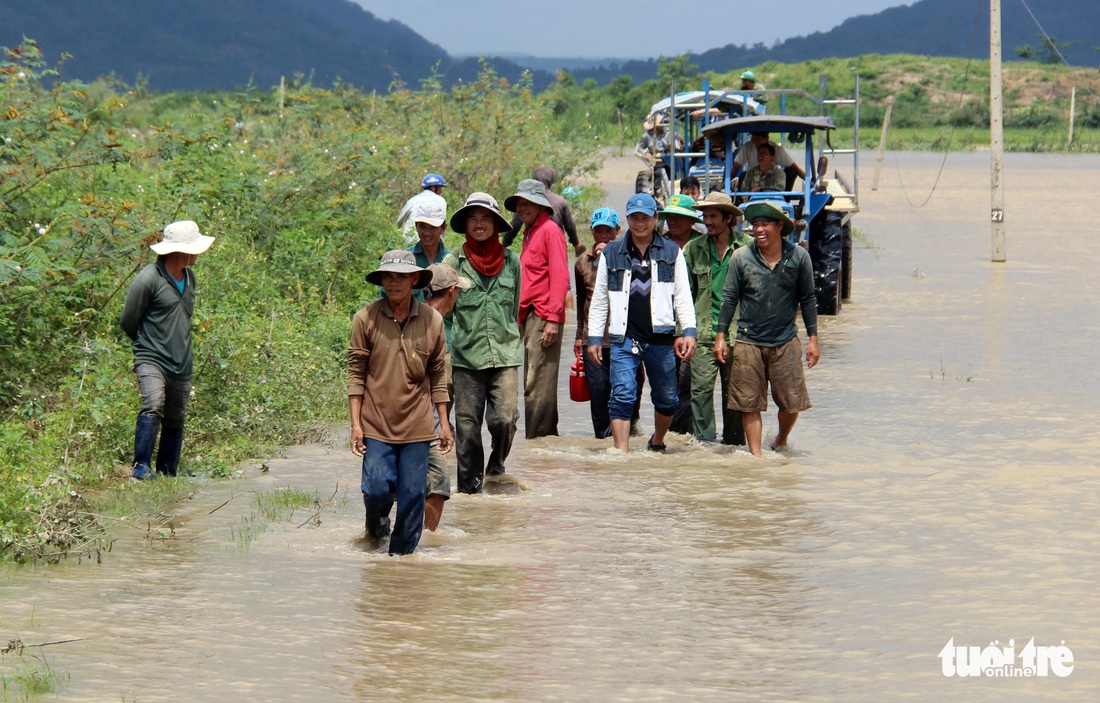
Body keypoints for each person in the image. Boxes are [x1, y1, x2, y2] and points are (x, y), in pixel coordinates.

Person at [349, 251, 451, 555]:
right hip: (376, 424)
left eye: (402, 276)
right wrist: (356, 425)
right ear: (381, 280)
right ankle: (376, 526)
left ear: (414, 280)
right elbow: (356, 375)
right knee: (376, 490)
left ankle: (398, 565)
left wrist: (444, 424)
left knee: (412, 497)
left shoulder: (432, 321)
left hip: (417, 428)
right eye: (389, 276)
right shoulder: (365, 319)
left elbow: (438, 376)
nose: (394, 282)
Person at [587, 193, 696, 454]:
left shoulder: (672, 252)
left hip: (660, 337)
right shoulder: (611, 253)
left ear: (656, 219)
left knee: (667, 400)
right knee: (622, 394)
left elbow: (682, 295)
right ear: (627, 220)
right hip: (624, 337)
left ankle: (657, 439)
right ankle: (621, 452)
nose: (640, 223)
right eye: (634, 218)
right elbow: (600, 299)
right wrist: (593, 338)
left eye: (645, 217)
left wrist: (689, 331)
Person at [713, 201, 820, 457]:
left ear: (779, 226)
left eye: (764, 224)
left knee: (792, 402)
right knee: (749, 402)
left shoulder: (799, 257)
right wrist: (721, 336)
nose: (758, 229)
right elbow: (729, 299)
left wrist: (813, 339)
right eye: (755, 225)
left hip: (785, 340)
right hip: (749, 340)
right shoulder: (741, 258)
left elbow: (808, 300)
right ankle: (756, 456)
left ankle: (781, 439)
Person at [120, 220, 215, 481]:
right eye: (194, 249)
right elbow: (128, 321)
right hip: (151, 357)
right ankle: (141, 468)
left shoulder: (190, 277)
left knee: (175, 417)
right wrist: (144, 349)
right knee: (153, 404)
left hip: (182, 361)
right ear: (183, 251)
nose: (198, 254)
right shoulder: (148, 279)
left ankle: (167, 473)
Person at [442, 193, 522, 493]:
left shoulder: (512, 262)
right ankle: (470, 491)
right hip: (466, 358)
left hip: (505, 355)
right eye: (473, 219)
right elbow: (444, 312)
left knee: (504, 420)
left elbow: (513, 308)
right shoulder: (453, 263)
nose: (479, 224)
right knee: (466, 429)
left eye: (485, 218)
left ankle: (496, 465)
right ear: (465, 224)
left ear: (496, 224)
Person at [683, 192, 753, 445]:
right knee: (700, 392)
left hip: (738, 335)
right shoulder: (693, 249)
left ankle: (733, 446)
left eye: (713, 216)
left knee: (734, 396)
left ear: (728, 218)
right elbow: (684, 294)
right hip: (702, 334)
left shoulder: (747, 248)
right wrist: (683, 332)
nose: (707, 221)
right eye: (705, 216)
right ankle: (705, 447)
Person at [506, 179, 570, 439]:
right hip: (531, 314)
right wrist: (520, 317)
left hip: (544, 315)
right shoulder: (530, 230)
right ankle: (543, 443)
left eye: (527, 203)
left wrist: (553, 319)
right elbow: (530, 279)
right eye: (520, 204)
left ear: (539, 204)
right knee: (533, 382)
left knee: (539, 383)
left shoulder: (550, 230)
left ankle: (539, 441)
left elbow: (560, 277)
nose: (522, 208)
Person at [573, 208, 642, 439]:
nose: (604, 236)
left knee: (632, 386)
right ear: (592, 232)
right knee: (600, 391)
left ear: (618, 231)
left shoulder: (631, 257)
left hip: (626, 336)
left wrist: (610, 257)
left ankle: (630, 428)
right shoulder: (582, 263)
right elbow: (581, 301)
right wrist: (579, 336)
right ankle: (603, 438)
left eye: (609, 231)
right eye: (599, 231)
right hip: (595, 339)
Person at [420, 262, 472, 532]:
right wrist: (442, 424)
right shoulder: (435, 322)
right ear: (452, 291)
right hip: (422, 416)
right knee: (438, 481)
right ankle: (426, 538)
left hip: (406, 415)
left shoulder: (415, 315)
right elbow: (435, 379)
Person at [658, 193, 705, 435]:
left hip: (692, 327)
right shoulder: (659, 245)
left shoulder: (703, 246)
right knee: (665, 383)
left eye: (679, 217)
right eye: (669, 217)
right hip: (662, 326)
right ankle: (667, 432)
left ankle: (685, 434)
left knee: (689, 383)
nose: (672, 221)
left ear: (691, 221)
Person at [504, 166, 585, 255]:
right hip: (556, 245)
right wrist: (576, 243)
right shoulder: (560, 201)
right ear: (550, 182)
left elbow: (514, 226)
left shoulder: (526, 201)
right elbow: (569, 226)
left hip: (535, 247)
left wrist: (504, 244)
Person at [733, 132, 805, 186]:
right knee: (743, 176)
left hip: (773, 183)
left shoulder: (779, 174)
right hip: (754, 181)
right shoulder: (750, 173)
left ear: (772, 157)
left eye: (764, 153)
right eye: (753, 137)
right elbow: (736, 167)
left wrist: (810, 183)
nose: (754, 141)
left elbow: (795, 167)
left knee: (791, 171)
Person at [396, 173, 447, 240]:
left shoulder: (412, 200)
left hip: (409, 241)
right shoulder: (440, 200)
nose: (441, 191)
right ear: (433, 188)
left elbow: (399, 222)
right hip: (431, 242)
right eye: (440, 188)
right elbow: (441, 222)